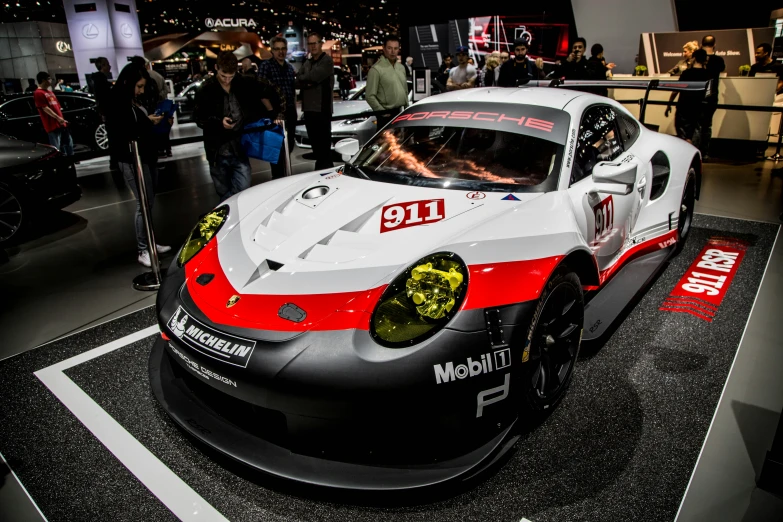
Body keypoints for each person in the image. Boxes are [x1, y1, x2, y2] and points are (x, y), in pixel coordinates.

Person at [105, 64, 171, 267]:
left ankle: (150, 243)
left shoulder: (131, 101)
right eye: (139, 86)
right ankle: (143, 248)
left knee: (148, 202)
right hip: (132, 159)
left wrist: (149, 121)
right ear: (128, 83)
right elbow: (124, 132)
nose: (141, 91)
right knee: (143, 204)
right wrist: (147, 123)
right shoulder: (116, 103)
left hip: (146, 155)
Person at [194, 52, 281, 200]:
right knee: (223, 192)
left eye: (231, 76)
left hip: (240, 147)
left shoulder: (243, 82)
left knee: (243, 189)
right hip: (217, 150)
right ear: (216, 68)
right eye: (223, 76)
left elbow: (271, 89)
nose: (227, 80)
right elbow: (199, 118)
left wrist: (275, 113)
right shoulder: (205, 89)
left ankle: (233, 214)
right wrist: (218, 122)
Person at [259, 36, 298, 179]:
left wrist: (293, 110)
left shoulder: (289, 68)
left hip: (290, 114)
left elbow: (292, 91)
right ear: (272, 50)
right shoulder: (266, 66)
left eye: (283, 49)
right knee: (276, 153)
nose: (280, 52)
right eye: (277, 49)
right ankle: (278, 181)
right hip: (273, 115)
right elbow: (261, 92)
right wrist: (272, 113)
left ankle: (286, 179)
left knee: (289, 149)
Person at [296, 32, 335, 170]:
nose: (312, 46)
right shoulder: (307, 62)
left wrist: (307, 80)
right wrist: (308, 81)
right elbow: (298, 81)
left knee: (324, 150)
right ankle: (321, 173)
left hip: (322, 110)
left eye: (315, 43)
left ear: (321, 43)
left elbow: (313, 77)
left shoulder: (327, 61)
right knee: (317, 150)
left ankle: (326, 174)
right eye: (310, 44)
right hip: (309, 111)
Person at [664, 49, 711, 145]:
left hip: (683, 106)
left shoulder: (686, 73)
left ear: (694, 58)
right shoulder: (708, 75)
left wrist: (669, 104)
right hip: (698, 106)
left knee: (682, 132)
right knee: (694, 132)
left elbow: (675, 90)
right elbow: (708, 93)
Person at [366, 34, 409, 130]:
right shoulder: (376, 69)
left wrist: (407, 108)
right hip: (386, 115)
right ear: (384, 49)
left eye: (396, 48)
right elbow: (369, 95)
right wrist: (382, 112)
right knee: (387, 144)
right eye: (389, 48)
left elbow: (405, 90)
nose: (393, 52)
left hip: (401, 113)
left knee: (400, 143)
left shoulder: (401, 68)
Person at [697, 35, 725, 160]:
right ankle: (704, 153)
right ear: (714, 45)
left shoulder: (697, 58)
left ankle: (695, 152)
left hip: (696, 95)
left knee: (696, 125)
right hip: (711, 96)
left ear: (701, 44)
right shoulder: (718, 60)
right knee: (707, 125)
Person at [33, 72, 74, 157]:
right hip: (52, 125)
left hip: (61, 123)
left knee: (68, 143)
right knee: (56, 147)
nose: (50, 81)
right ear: (44, 80)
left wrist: (61, 119)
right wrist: (58, 118)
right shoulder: (38, 93)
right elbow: (44, 108)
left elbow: (58, 107)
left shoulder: (50, 92)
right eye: (49, 79)